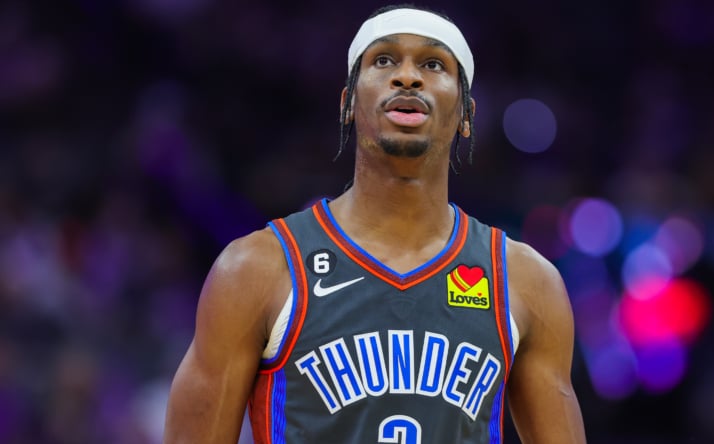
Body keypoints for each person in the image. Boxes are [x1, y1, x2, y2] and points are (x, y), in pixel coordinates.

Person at [164, 5, 586, 443]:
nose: (407, 77)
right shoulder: (255, 268)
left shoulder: (525, 281)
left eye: (433, 64)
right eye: (383, 60)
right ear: (347, 103)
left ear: (466, 115)